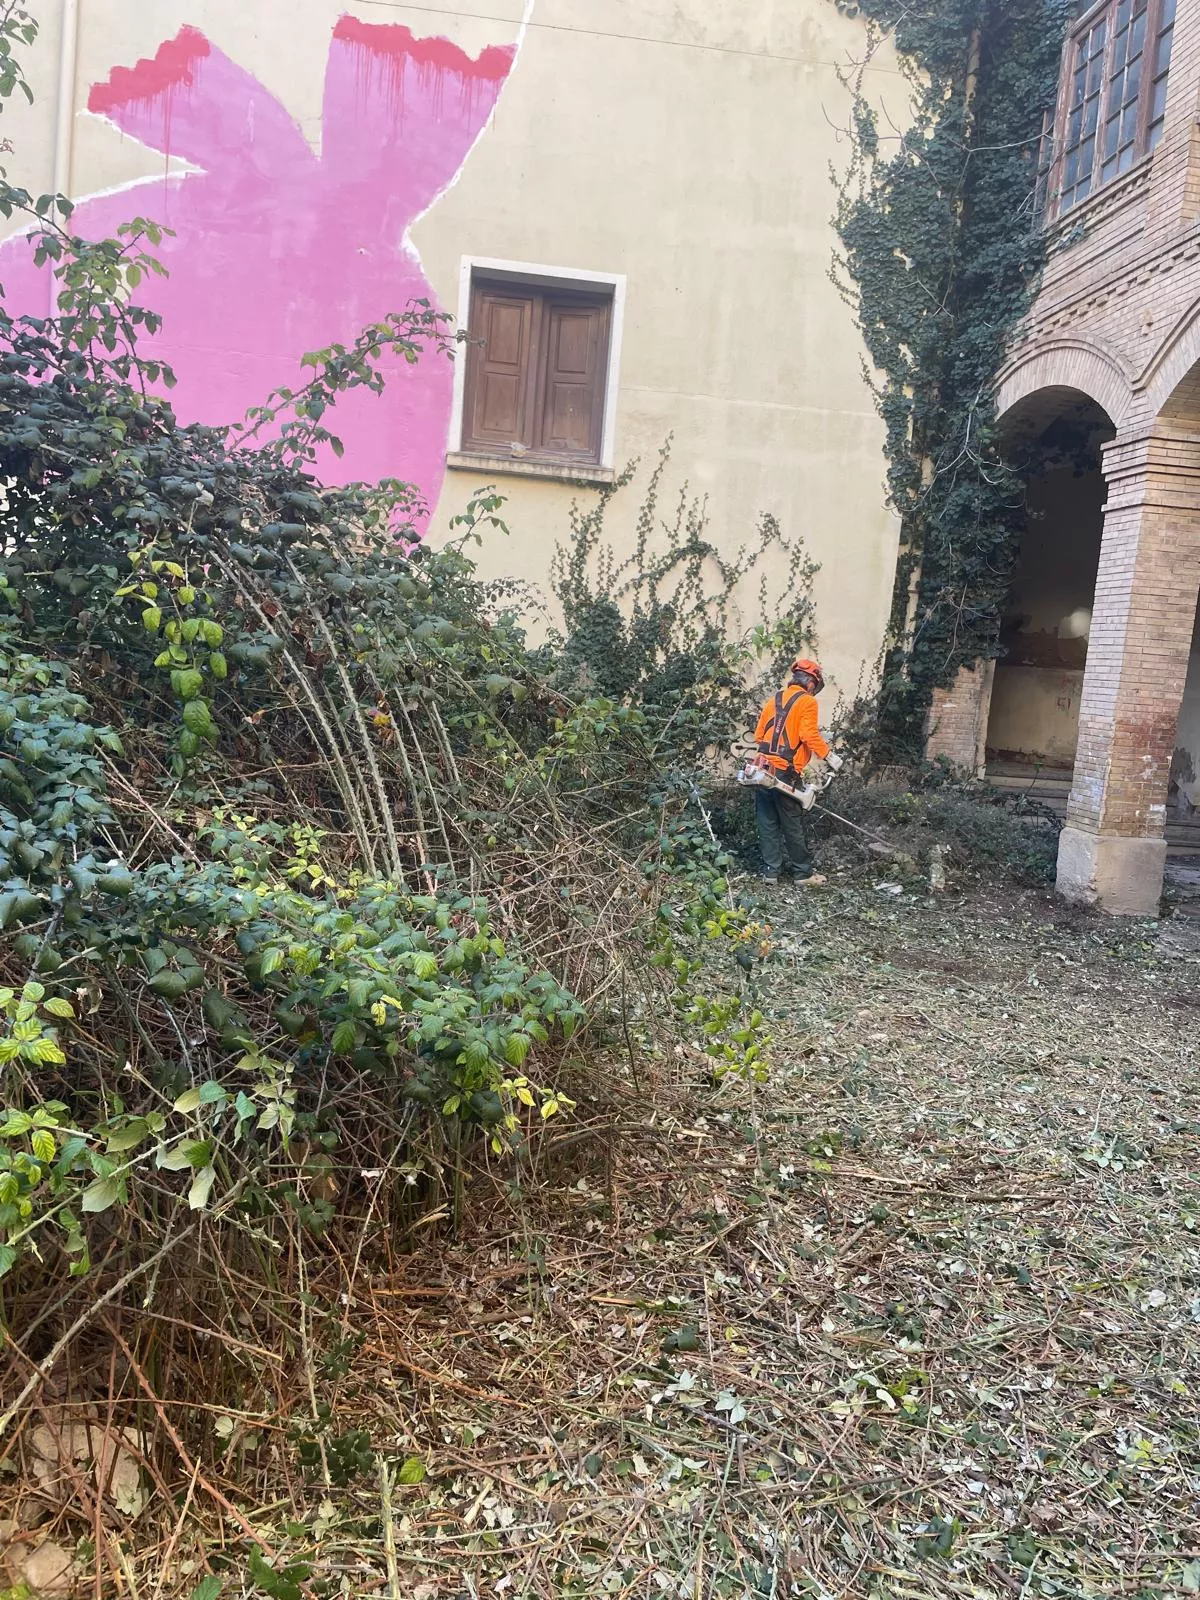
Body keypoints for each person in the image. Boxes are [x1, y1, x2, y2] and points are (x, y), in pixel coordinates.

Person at [750, 656, 841, 884]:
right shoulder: (807, 702)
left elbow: (760, 736)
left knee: (767, 821)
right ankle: (802, 873)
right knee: (791, 823)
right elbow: (808, 735)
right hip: (785, 772)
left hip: (763, 769)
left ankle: (771, 872)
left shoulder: (774, 700)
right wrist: (829, 756)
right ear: (811, 682)